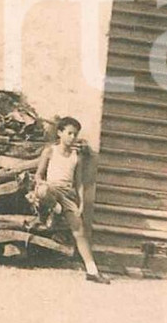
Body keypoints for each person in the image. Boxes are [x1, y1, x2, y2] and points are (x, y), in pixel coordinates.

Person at [32, 117, 110, 284]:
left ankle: (92, 271)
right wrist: (40, 182)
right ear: (60, 133)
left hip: (67, 194)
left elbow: (79, 182)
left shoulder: (76, 157)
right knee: (43, 191)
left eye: (75, 134)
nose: (72, 137)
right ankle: (54, 209)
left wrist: (81, 203)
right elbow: (38, 174)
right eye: (69, 133)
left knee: (79, 230)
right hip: (51, 189)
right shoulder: (50, 151)